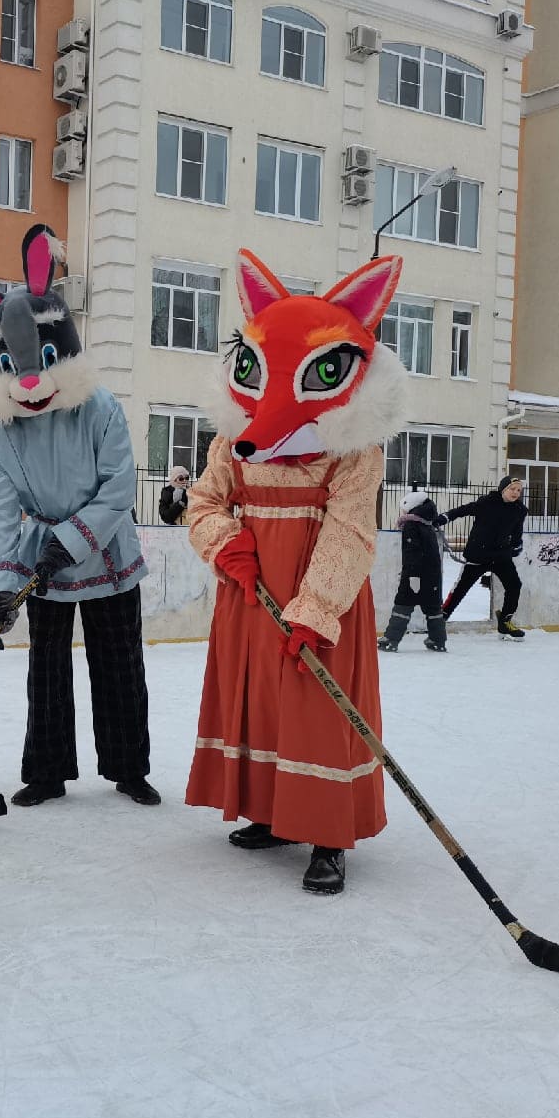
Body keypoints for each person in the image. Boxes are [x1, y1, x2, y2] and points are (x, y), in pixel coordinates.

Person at [185, 250, 407, 895]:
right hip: (252, 595)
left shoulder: (354, 449)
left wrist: (316, 609)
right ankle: (272, 813)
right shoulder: (232, 441)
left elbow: (351, 529)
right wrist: (226, 543)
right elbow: (204, 502)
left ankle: (328, 835)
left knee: (317, 711)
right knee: (259, 702)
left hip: (316, 601)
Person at [0, 225, 157, 808]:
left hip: (105, 551)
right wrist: (0, 586)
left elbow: (118, 488)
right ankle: (47, 773)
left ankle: (127, 768)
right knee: (46, 672)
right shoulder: (1, 431)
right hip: (40, 561)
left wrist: (70, 542)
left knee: (119, 666)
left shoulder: (99, 407)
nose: (30, 382)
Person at [436, 475, 527, 639]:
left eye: (519, 490)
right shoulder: (487, 503)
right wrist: (446, 517)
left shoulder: (519, 510)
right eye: (512, 489)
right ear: (503, 489)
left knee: (514, 585)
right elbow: (463, 510)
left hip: (501, 556)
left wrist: (517, 544)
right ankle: (439, 620)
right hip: (478, 554)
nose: (516, 493)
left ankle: (505, 622)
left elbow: (516, 532)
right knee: (461, 589)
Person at [377, 491, 447, 652]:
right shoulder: (428, 525)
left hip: (415, 574)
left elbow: (412, 553)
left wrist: (413, 576)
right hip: (433, 575)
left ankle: (391, 639)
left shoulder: (411, 525)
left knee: (403, 605)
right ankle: (438, 640)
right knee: (433, 608)